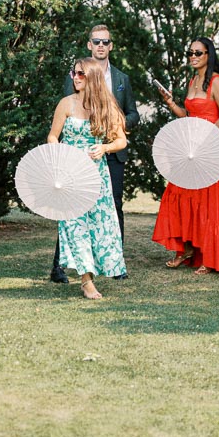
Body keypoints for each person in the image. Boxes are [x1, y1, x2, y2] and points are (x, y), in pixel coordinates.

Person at [152, 36, 219, 274]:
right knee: (180, 194)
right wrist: (170, 103)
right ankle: (186, 249)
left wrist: (204, 135)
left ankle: (211, 255)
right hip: (191, 150)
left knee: (211, 203)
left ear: (209, 55)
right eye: (190, 53)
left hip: (212, 150)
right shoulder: (192, 81)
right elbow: (188, 116)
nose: (193, 57)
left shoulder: (217, 82)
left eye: (198, 53)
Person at [50, 24, 138, 283]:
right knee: (73, 219)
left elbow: (126, 125)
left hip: (101, 165)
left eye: (81, 74)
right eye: (74, 73)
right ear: (89, 44)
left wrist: (108, 139)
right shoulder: (68, 100)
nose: (76, 77)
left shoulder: (118, 85)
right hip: (71, 168)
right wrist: (59, 156)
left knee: (104, 218)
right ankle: (73, 272)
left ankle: (111, 265)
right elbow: (56, 131)